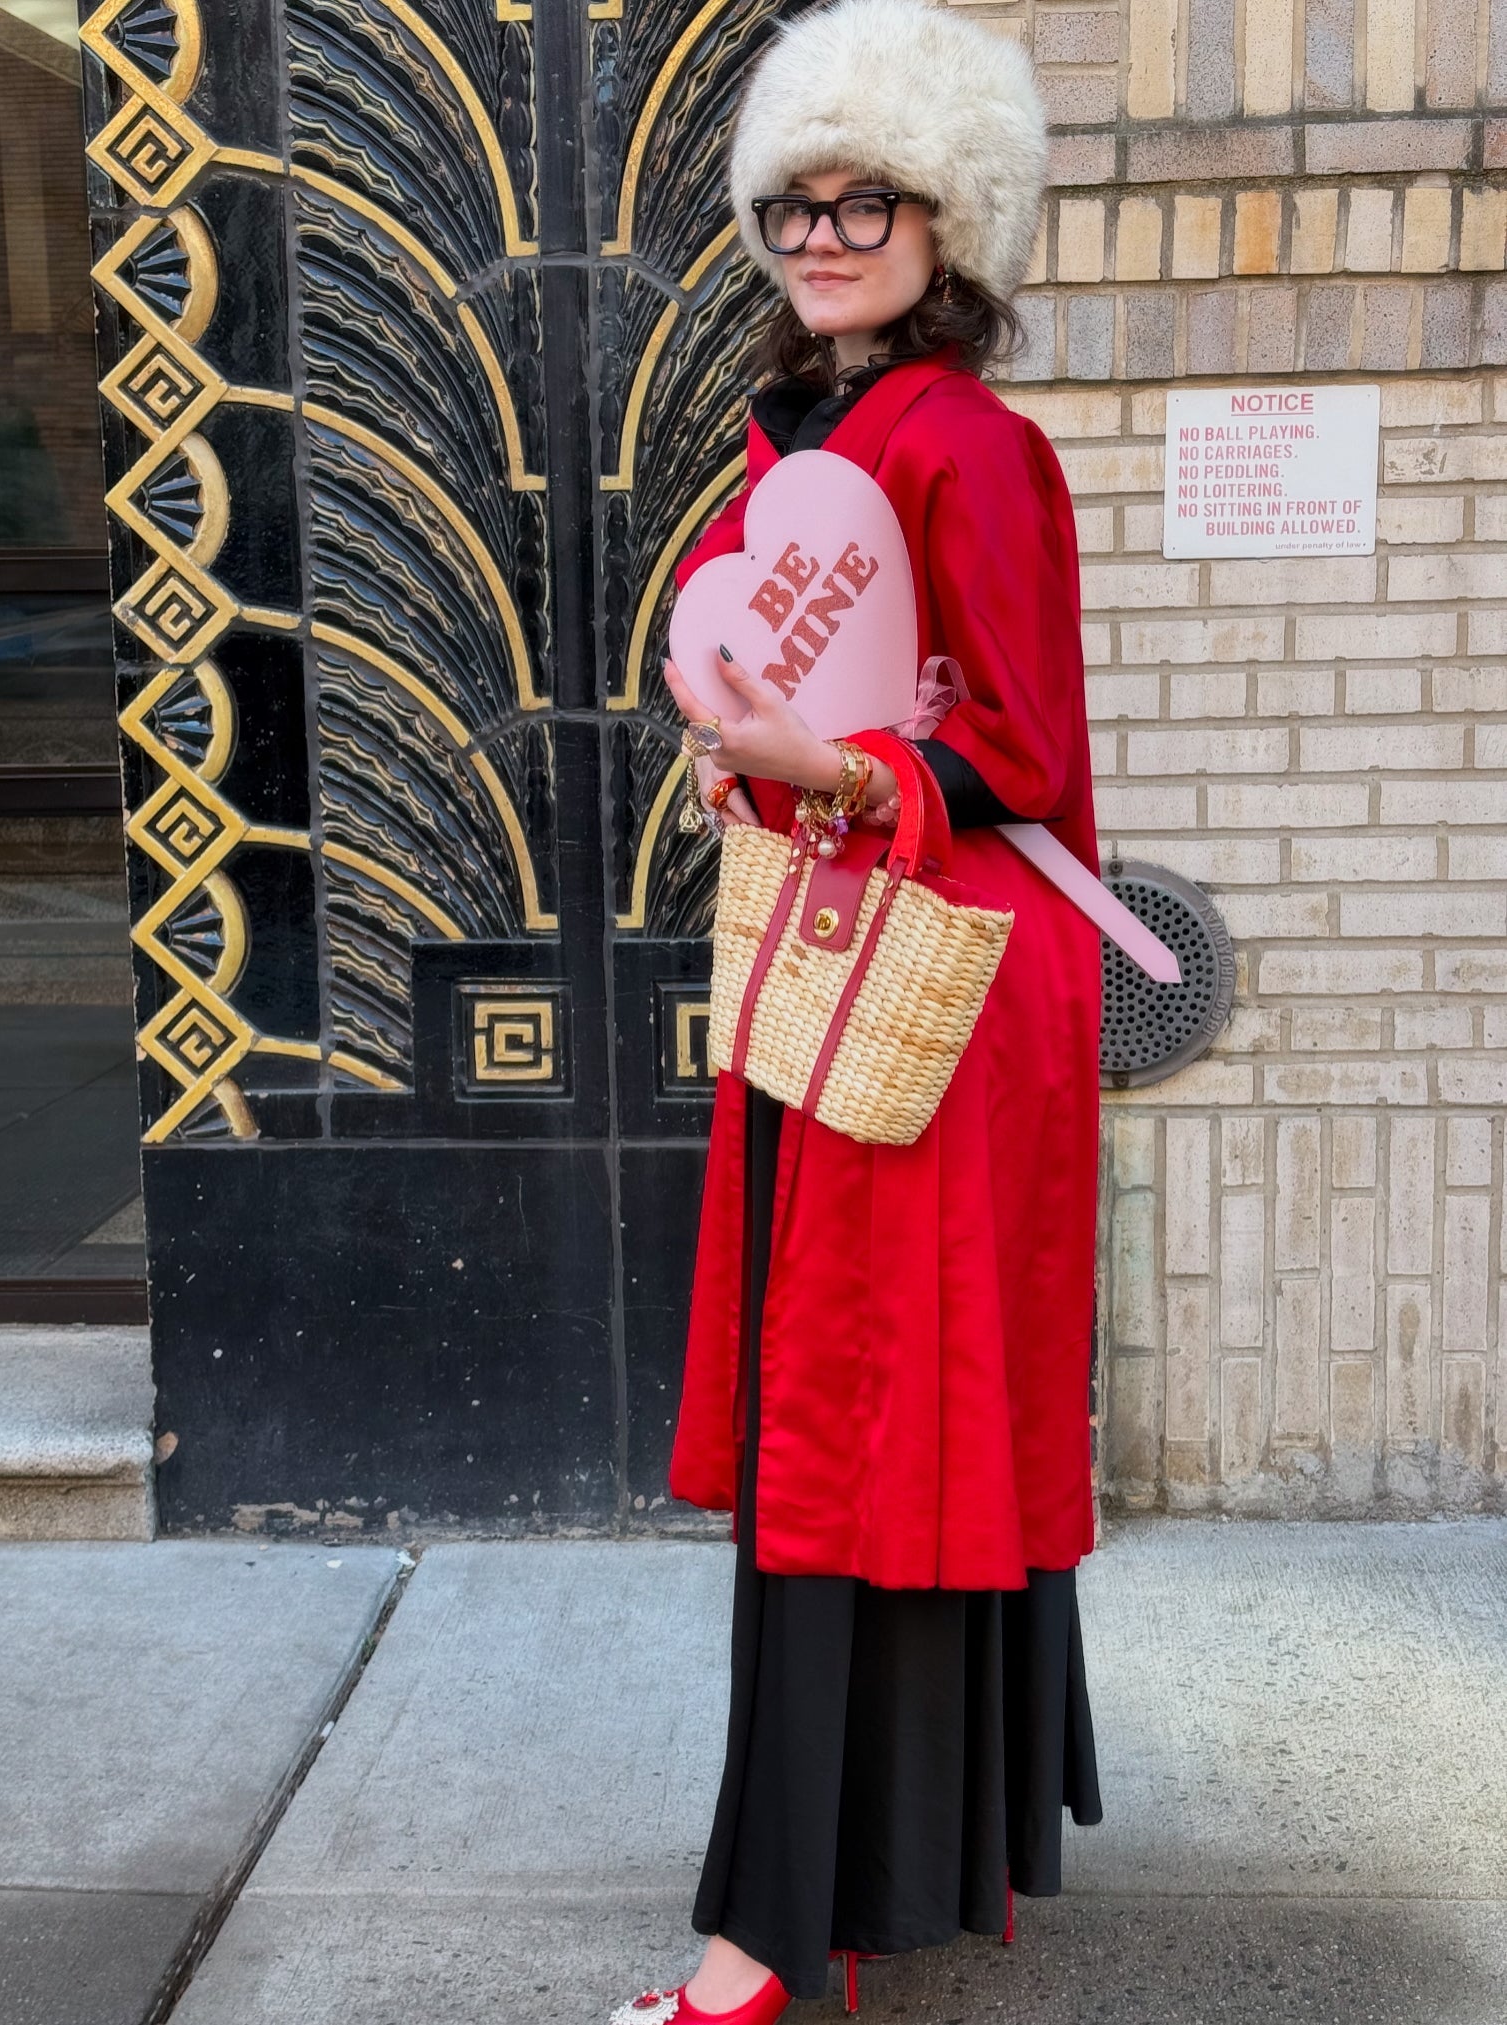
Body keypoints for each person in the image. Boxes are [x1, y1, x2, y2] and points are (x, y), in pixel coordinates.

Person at [612, 3, 1105, 2019]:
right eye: (797, 202)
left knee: (851, 1417)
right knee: (866, 1410)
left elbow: (1028, 749)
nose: (823, 234)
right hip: (842, 956)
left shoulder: (968, 443)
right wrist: (754, 759)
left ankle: (764, 1938)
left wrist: (837, 776)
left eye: (867, 198)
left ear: (945, 220)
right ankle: (913, 1851)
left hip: (938, 980)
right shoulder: (801, 437)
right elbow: (776, 700)